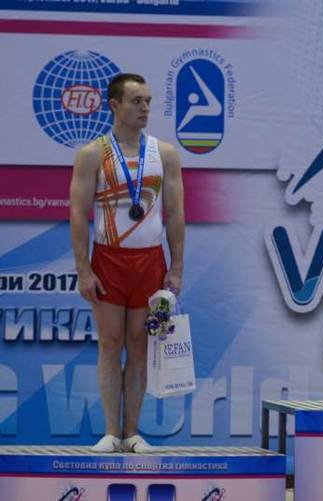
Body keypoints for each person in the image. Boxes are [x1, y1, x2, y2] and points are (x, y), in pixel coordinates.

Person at [70, 73, 185, 453]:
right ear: (114, 106)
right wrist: (84, 270)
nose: (145, 108)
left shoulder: (164, 154)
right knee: (110, 343)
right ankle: (110, 432)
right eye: (136, 101)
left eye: (148, 101)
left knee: (139, 345)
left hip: (150, 260)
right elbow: (78, 213)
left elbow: (175, 213)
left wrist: (176, 268)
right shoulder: (92, 154)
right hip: (108, 260)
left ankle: (132, 432)